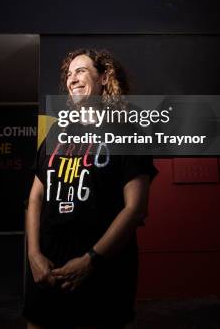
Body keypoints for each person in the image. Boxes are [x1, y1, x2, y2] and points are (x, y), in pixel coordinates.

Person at [23, 48, 157, 329]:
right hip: (47, 266)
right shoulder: (57, 130)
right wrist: (34, 255)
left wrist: (90, 261)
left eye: (81, 71)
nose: (72, 79)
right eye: (69, 74)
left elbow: (135, 209)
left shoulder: (128, 130)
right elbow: (35, 198)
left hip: (102, 268)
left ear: (105, 77)